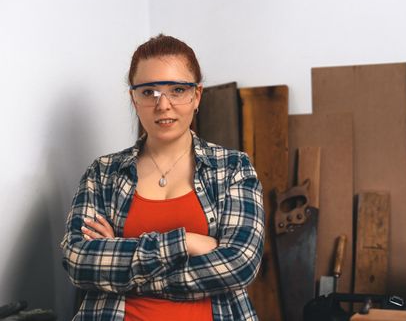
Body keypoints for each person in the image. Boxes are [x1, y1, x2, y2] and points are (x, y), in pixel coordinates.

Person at [61, 34, 265, 321]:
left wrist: (122, 264)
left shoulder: (233, 168)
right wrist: (187, 243)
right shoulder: (103, 173)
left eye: (178, 90)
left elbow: (239, 265)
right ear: (133, 98)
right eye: (149, 92)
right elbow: (78, 261)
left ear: (197, 96)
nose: (163, 105)